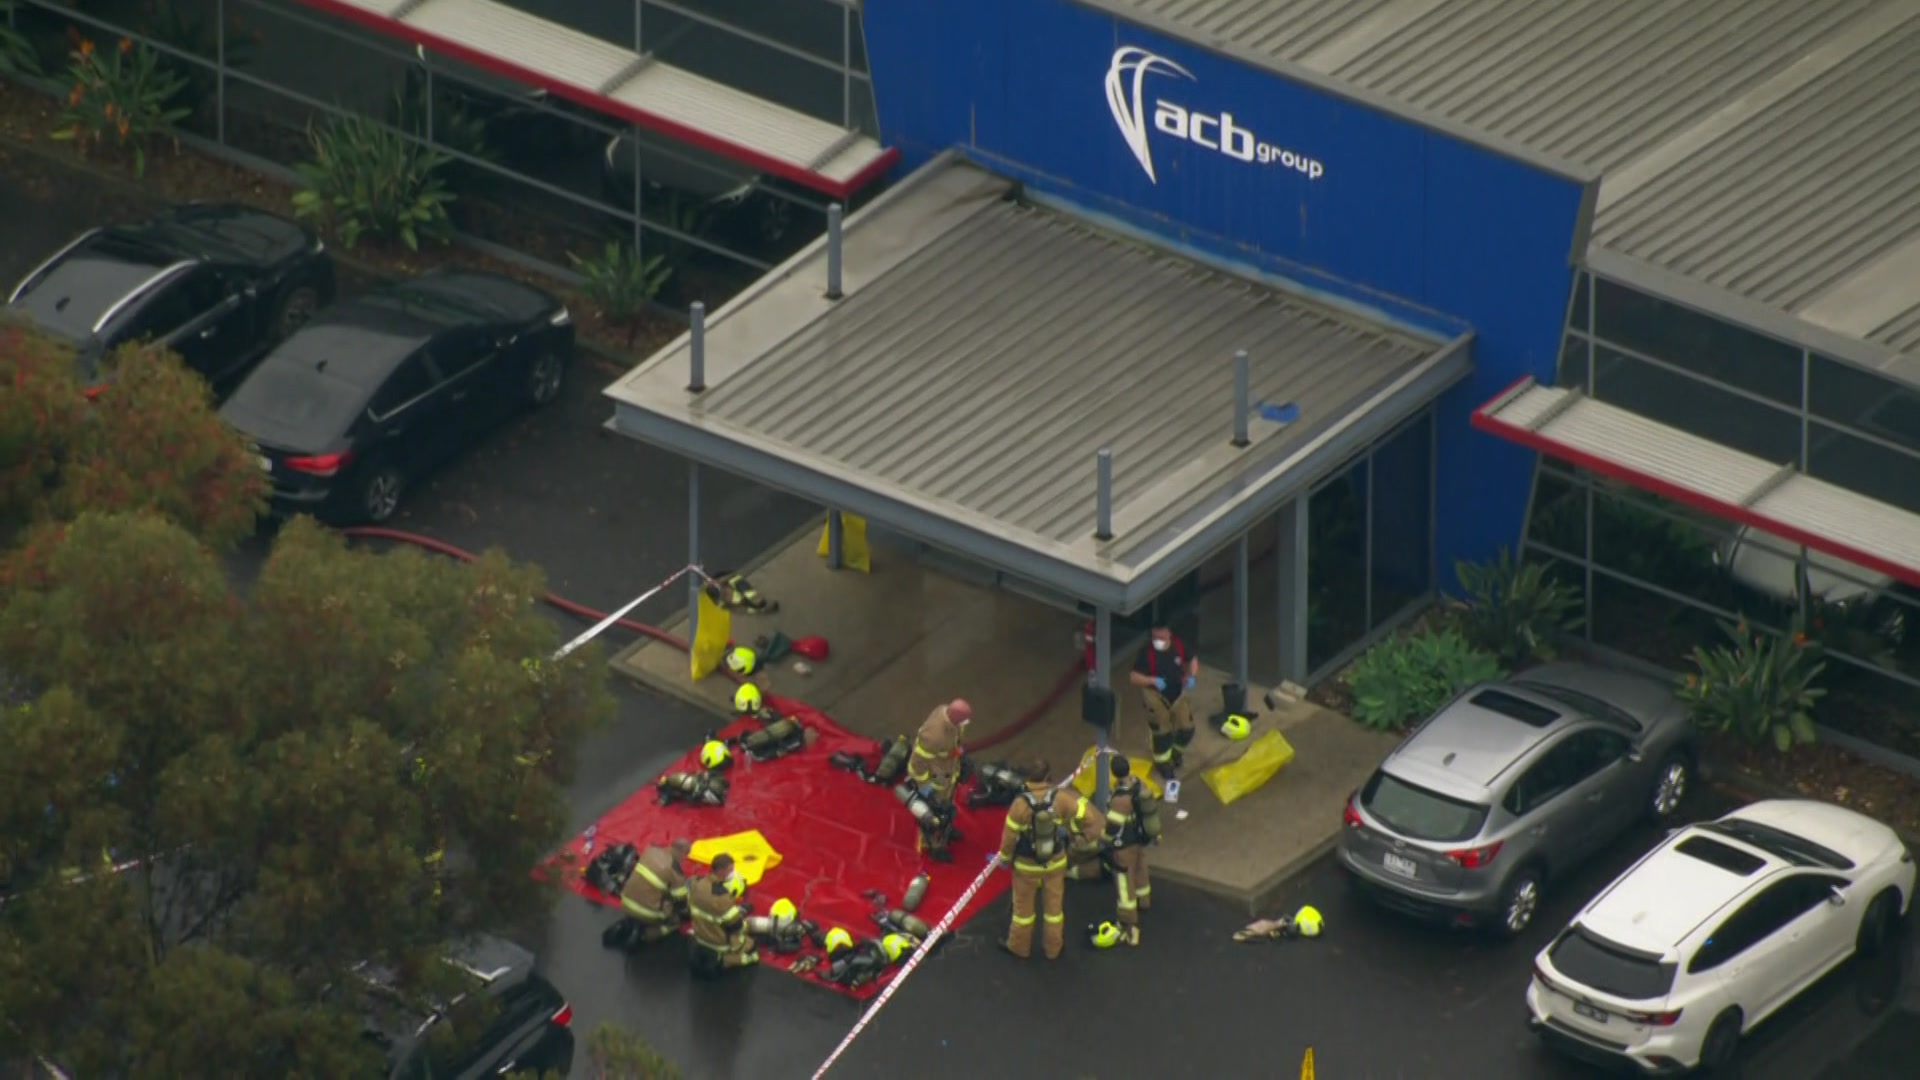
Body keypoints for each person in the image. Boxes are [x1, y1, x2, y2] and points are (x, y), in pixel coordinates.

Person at [993, 758, 1095, 960]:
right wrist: (1077, 836)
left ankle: (1019, 947)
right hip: (1055, 863)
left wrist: (1004, 858)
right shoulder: (1061, 799)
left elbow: (1009, 837)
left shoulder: (1019, 804)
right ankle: (1053, 949)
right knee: (1054, 911)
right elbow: (1087, 817)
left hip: (1026, 866)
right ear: (1048, 777)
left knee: (1023, 911)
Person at [1130, 624, 1199, 779]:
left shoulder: (1179, 646)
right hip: (1155, 695)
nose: (1157, 641)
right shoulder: (1146, 653)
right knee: (1162, 734)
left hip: (1178, 694)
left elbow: (1192, 659)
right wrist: (1151, 680)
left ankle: (1176, 752)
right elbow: (1134, 677)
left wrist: (1192, 676)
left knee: (1187, 729)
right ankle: (1162, 763)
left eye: (1160, 638)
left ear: (1169, 634)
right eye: (1155, 638)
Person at [908, 698, 971, 859]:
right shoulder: (934, 735)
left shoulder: (950, 720)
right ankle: (933, 845)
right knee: (936, 814)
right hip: (936, 779)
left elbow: (952, 744)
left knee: (947, 809)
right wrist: (924, 786)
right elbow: (917, 763)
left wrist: (957, 755)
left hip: (947, 773)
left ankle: (946, 831)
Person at [1103, 757, 1154, 945]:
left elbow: (1113, 827)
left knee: (1124, 881)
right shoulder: (1139, 784)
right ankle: (1144, 900)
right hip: (1141, 839)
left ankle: (1128, 918)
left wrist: (1104, 841)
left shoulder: (1119, 800)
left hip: (1124, 844)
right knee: (1141, 869)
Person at [687, 853, 757, 974]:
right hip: (719, 943)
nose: (733, 872)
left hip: (699, 936)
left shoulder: (696, 883)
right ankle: (727, 960)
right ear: (721, 871)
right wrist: (746, 924)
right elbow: (737, 927)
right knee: (753, 947)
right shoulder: (722, 897)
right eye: (731, 869)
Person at [616, 838, 692, 945]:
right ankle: (644, 936)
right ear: (683, 853)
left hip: (625, 901)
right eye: (686, 855)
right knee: (676, 921)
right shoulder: (675, 869)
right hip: (648, 914)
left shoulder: (651, 850)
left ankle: (628, 925)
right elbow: (680, 901)